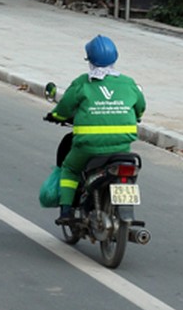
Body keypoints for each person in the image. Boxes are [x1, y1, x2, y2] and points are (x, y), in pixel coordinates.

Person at [46, 35, 145, 225]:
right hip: (122, 146)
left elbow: (65, 108)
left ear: (89, 60)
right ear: (115, 58)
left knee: (70, 168)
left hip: (88, 146)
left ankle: (66, 210)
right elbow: (140, 108)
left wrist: (56, 116)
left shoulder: (83, 83)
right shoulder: (129, 83)